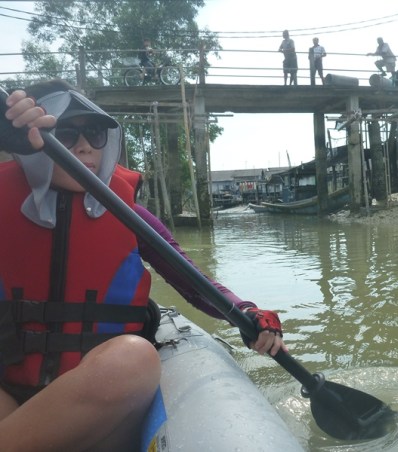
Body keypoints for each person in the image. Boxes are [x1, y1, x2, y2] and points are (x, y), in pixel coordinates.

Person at [0, 79, 287, 451]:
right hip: (11, 383)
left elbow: (193, 281)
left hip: (101, 397)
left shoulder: (130, 216)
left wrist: (249, 312)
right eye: (67, 133)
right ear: (31, 143)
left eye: (95, 135)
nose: (84, 146)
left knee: (134, 357)